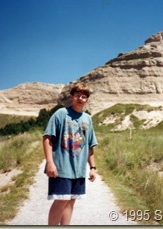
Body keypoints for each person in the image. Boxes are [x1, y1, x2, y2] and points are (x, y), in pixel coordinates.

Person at [43, 82, 98, 225]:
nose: (80, 98)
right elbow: (47, 137)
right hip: (61, 168)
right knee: (61, 201)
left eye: (84, 96)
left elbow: (89, 145)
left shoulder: (88, 119)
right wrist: (50, 162)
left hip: (78, 170)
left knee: (70, 202)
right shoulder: (61, 114)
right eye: (78, 95)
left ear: (87, 99)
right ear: (71, 96)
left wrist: (92, 168)